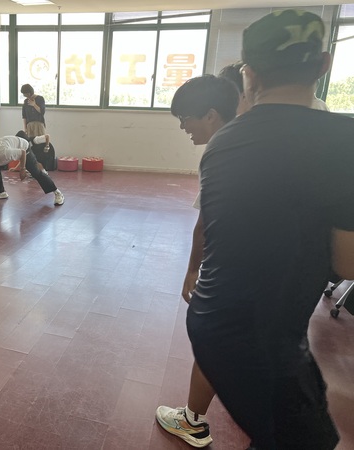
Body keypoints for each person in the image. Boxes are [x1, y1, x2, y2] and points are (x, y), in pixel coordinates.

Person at [186, 10, 352, 450]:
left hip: (216, 318)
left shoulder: (224, 141)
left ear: (250, 73)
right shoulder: (344, 139)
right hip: (261, 335)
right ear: (323, 65)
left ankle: (193, 418)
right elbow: (348, 263)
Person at [155, 73, 241, 449]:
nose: (183, 127)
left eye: (185, 118)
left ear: (210, 114)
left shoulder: (222, 151)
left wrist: (193, 269)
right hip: (283, 271)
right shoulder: (266, 138)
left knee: (212, 339)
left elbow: (207, 222)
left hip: (236, 267)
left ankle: (192, 422)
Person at [0, 134, 64, 206]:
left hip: (23, 146)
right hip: (5, 149)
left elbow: (22, 152)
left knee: (35, 171)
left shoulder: (4, 153)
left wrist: (22, 169)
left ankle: (57, 192)